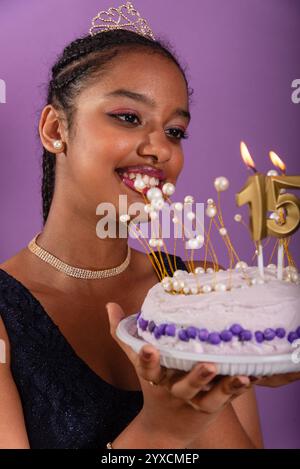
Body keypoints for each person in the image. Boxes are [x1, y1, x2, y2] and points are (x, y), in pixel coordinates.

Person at [0, 3, 299, 450]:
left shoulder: (205, 294)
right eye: (128, 117)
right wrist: (167, 426)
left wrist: (222, 381)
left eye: (176, 131)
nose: (161, 149)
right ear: (55, 129)